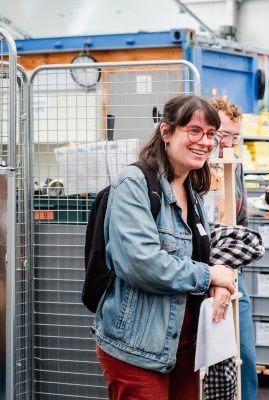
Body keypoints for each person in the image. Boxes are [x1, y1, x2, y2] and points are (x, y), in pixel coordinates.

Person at [93, 94, 237, 399]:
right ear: (166, 132)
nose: (205, 141)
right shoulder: (134, 184)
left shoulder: (192, 191)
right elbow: (141, 264)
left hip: (184, 346)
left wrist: (220, 284)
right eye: (194, 130)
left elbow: (200, 255)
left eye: (211, 134)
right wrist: (209, 276)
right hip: (137, 346)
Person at [209, 96, 258, 400]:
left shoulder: (234, 165)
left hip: (232, 272)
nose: (227, 142)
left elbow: (241, 220)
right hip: (202, 273)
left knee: (245, 353)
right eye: (222, 134)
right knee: (210, 360)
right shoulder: (192, 167)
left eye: (234, 136)